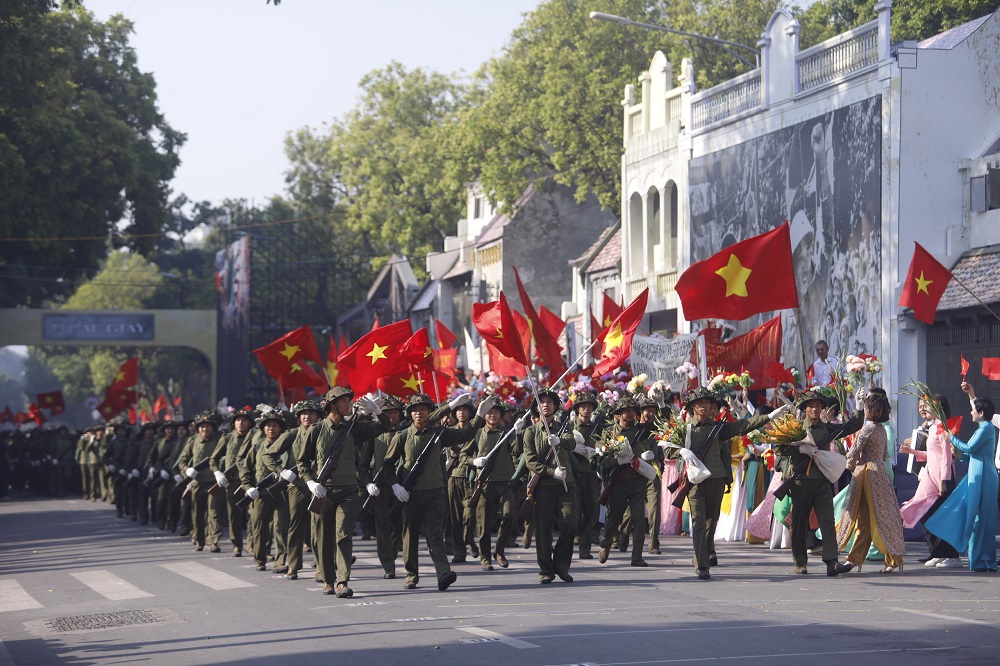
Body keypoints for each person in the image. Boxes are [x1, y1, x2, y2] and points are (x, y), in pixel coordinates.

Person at [379, 392, 492, 591]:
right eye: (415, 410)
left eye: (423, 409)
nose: (418, 413)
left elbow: (464, 435)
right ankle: (411, 575)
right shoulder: (402, 436)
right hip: (410, 493)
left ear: (430, 412)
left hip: (435, 492)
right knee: (410, 535)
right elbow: (387, 465)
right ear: (410, 414)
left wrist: (479, 416)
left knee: (435, 535)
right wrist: (395, 486)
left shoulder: (439, 433)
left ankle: (443, 573)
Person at [674, 386, 778, 580]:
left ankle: (702, 556)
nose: (705, 406)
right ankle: (702, 565)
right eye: (700, 403)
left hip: (716, 481)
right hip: (696, 483)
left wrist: (769, 416)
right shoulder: (685, 429)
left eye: (708, 403)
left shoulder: (718, 428)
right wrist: (680, 451)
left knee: (710, 523)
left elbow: (743, 425)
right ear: (693, 407)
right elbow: (668, 447)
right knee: (697, 524)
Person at [296, 387, 390, 597]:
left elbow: (385, 426)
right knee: (323, 538)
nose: (348, 405)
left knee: (343, 536)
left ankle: (342, 581)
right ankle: (328, 580)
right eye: (344, 401)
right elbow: (302, 462)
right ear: (332, 405)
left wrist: (377, 411)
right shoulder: (316, 430)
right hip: (323, 492)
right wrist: (311, 483)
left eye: (349, 401)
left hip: (348, 491)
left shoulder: (354, 428)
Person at [776, 389, 861, 577]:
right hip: (800, 482)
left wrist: (859, 407)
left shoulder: (827, 428)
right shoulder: (795, 428)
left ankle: (832, 562)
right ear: (804, 409)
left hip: (822, 482)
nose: (814, 409)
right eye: (811, 406)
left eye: (817, 406)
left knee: (828, 521)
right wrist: (799, 450)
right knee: (799, 523)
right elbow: (779, 450)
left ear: (822, 409)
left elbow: (852, 426)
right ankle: (800, 562)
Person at [925, 395, 999, 572]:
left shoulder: (986, 428)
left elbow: (970, 448)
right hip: (977, 472)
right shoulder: (982, 428)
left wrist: (952, 439)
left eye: (974, 410)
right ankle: (980, 559)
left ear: (981, 412)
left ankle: (984, 559)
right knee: (976, 518)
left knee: (982, 519)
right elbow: (969, 453)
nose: (971, 412)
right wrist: (956, 451)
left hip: (984, 475)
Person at [835, 393, 906, 572]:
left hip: (866, 472)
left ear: (870, 410)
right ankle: (891, 559)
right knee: (882, 516)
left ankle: (855, 559)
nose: (864, 410)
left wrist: (849, 464)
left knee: (863, 518)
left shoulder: (867, 429)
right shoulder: (882, 429)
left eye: (865, 407)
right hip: (881, 472)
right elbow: (883, 455)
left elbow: (853, 452)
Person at [261, 398, 322, 580]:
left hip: (319, 485)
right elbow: (268, 455)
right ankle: (293, 566)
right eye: (303, 414)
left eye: (311, 413)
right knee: (295, 526)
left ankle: (321, 568)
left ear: (318, 416)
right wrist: (281, 471)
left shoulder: (323, 433)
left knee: (318, 527)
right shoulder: (292, 434)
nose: (307, 417)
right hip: (297, 486)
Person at [523, 388, 579, 583]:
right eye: (542, 402)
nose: (545, 404)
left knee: (570, 523)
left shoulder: (564, 427)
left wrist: (559, 441)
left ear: (555, 407)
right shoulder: (530, 432)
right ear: (536, 408)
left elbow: (572, 443)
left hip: (565, 484)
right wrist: (550, 472)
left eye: (550, 402)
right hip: (543, 486)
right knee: (544, 530)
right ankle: (546, 570)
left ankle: (561, 566)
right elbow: (530, 462)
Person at [898, 395, 961, 568]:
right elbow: (932, 454)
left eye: (929, 405)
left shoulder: (943, 427)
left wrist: (944, 480)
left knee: (943, 517)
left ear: (938, 407)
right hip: (931, 476)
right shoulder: (934, 427)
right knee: (926, 513)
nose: (925, 408)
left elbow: (947, 457)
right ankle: (938, 552)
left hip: (942, 477)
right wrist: (912, 451)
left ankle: (952, 556)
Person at [597, 395, 657, 567]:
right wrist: (618, 461)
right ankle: (606, 543)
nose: (630, 414)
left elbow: (657, 428)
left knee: (638, 518)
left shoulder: (641, 431)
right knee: (613, 518)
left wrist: (645, 457)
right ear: (618, 414)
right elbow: (602, 460)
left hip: (637, 480)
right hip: (617, 482)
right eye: (626, 411)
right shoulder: (609, 433)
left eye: (633, 411)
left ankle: (637, 556)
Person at [464, 399, 519, 571]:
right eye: (489, 412)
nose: (492, 415)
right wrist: (475, 461)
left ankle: (499, 550)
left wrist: (517, 433)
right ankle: (485, 557)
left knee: (509, 515)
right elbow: (463, 456)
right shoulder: (477, 433)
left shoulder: (507, 434)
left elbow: (516, 452)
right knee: (484, 524)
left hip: (505, 482)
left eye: (496, 412)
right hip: (485, 484)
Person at [176, 411, 223, 552]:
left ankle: (213, 541)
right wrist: (187, 472)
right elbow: (182, 461)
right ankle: (200, 539)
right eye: (202, 427)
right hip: (198, 482)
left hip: (214, 481)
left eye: (208, 426)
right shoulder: (192, 441)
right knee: (197, 512)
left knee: (214, 512)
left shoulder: (219, 439)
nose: (205, 429)